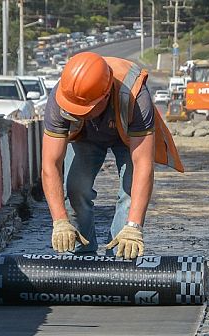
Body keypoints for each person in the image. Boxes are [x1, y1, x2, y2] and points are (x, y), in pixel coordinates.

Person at [41, 52, 184, 260]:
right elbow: (50, 165)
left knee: (129, 192)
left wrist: (134, 226)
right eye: (75, 110)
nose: (78, 113)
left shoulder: (135, 96)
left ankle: (120, 256)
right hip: (86, 136)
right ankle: (81, 252)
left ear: (105, 95)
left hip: (127, 137)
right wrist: (60, 221)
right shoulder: (62, 97)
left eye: (84, 109)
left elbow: (143, 166)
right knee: (75, 188)